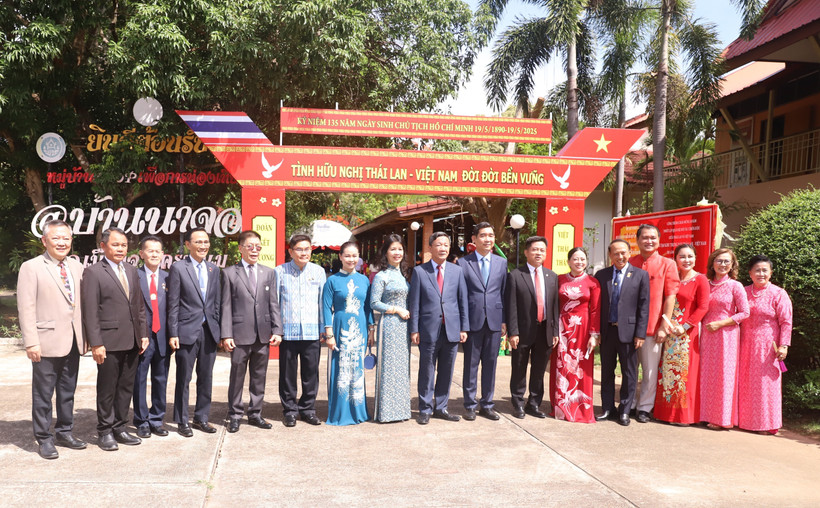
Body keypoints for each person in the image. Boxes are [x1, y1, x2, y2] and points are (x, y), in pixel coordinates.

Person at [17, 220, 86, 459]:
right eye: (56, 238)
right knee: (43, 394)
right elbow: (26, 307)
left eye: (66, 238)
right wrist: (31, 342)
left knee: (67, 391)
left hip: (73, 340)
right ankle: (44, 438)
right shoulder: (31, 267)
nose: (62, 242)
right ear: (45, 241)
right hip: (45, 342)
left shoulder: (76, 266)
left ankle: (65, 431)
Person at [81, 228, 149, 451]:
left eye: (123, 245)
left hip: (132, 341)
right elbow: (90, 311)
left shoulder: (131, 271)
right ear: (103, 246)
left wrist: (144, 334)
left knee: (125, 387)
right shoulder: (93, 272)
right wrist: (96, 343)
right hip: (108, 342)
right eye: (115, 245)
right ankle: (105, 431)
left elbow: (139, 306)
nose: (120, 248)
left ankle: (120, 427)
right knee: (107, 388)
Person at [221, 230, 283, 433]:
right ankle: (235, 415)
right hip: (239, 334)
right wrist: (226, 334)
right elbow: (226, 306)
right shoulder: (229, 273)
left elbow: (273, 303)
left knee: (259, 376)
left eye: (258, 246)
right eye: (250, 246)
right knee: (237, 376)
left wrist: (277, 329)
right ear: (240, 248)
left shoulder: (268, 272)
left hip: (263, 334)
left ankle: (255, 413)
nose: (254, 250)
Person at [408, 231, 469, 424]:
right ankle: (425, 408)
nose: (442, 248)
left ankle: (441, 407)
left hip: (451, 329)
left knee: (446, 370)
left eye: (445, 245)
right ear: (430, 247)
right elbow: (414, 303)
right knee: (426, 370)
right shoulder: (420, 271)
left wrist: (464, 328)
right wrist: (414, 329)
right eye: (438, 244)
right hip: (427, 329)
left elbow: (462, 301)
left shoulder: (456, 271)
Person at [167, 227, 221, 437]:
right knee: (184, 378)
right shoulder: (179, 268)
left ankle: (201, 418)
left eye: (206, 242)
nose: (203, 246)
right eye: (198, 242)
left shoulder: (213, 269)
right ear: (188, 245)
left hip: (209, 332)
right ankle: (182, 420)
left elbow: (216, 303)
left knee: (206, 377)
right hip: (186, 331)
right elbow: (173, 304)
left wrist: (219, 330)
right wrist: (173, 332)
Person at [595, 239, 650, 427]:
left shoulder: (641, 275)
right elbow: (596, 306)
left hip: (629, 332)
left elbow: (644, 307)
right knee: (606, 372)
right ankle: (608, 408)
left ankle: (625, 411)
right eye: (616, 253)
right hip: (607, 332)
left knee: (629, 373)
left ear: (629, 253)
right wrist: (596, 331)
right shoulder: (601, 275)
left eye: (624, 252)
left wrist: (640, 334)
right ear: (610, 255)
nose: (620, 256)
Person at [653, 244, 710, 426]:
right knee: (666, 372)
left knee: (684, 373)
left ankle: (683, 416)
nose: (686, 260)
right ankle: (664, 413)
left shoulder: (700, 280)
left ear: (695, 258)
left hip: (686, 334)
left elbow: (703, 307)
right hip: (668, 332)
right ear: (675, 259)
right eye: (682, 257)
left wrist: (685, 326)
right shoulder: (672, 277)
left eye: (690, 257)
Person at [629, 224, 680, 423]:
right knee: (630, 368)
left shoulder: (667, 264)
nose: (649, 241)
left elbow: (670, 297)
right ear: (637, 240)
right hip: (629, 327)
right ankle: (629, 404)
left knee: (649, 371)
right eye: (645, 237)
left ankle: (644, 407)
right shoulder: (630, 262)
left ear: (659, 240)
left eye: (653, 237)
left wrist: (663, 326)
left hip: (653, 327)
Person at [274, 234, 327, 427]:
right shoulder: (280, 272)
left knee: (310, 374)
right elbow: (275, 303)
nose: (304, 253)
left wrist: (323, 328)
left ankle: (308, 409)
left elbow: (323, 302)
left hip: (312, 332)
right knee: (287, 374)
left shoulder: (319, 272)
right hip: (288, 333)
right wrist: (276, 329)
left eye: (307, 249)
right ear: (290, 251)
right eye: (299, 249)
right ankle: (289, 410)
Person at [505, 236, 560, 420]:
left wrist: (555, 332)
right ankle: (518, 402)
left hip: (545, 330)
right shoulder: (515, 275)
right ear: (526, 252)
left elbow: (554, 307)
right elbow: (511, 306)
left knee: (539, 370)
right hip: (522, 331)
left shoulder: (551, 276)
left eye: (542, 250)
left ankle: (534, 403)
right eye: (535, 250)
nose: (539, 253)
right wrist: (513, 332)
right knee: (519, 368)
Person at [458, 222, 507, 421]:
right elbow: (460, 295)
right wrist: (462, 323)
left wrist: (504, 321)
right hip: (472, 321)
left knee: (491, 364)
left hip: (494, 322)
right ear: (474, 239)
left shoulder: (501, 263)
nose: (488, 239)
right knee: (470, 364)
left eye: (491, 235)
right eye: (483, 236)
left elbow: (504, 294)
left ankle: (487, 404)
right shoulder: (463, 263)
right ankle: (470, 404)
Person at [738, 255, 792, 435]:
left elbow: (786, 322)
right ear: (750, 273)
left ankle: (766, 424)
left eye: (764, 270)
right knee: (744, 382)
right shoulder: (743, 291)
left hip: (768, 346)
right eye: (757, 270)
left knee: (765, 385)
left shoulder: (778, 293)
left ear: (770, 273)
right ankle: (744, 421)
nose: (761, 274)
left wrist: (784, 345)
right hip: (744, 344)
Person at [323, 241, 374, 425]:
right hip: (340, 327)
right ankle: (339, 413)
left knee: (357, 368)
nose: (352, 259)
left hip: (360, 328)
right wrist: (329, 334)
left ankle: (358, 411)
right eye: (348, 255)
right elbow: (326, 307)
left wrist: (371, 329)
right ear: (341, 257)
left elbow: (368, 307)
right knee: (340, 368)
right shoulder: (332, 280)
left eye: (355, 256)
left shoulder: (364, 280)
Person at [699, 248, 749, 430]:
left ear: (732, 265)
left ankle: (721, 419)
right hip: (705, 335)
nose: (723, 264)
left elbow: (745, 312)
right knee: (705, 374)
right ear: (712, 263)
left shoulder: (736, 286)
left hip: (726, 335)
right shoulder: (705, 283)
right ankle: (704, 414)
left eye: (727, 261)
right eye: (719, 260)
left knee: (723, 376)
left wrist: (721, 324)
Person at [549, 247, 600, 423]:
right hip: (563, 329)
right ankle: (561, 407)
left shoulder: (593, 282)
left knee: (581, 367)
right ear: (569, 261)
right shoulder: (559, 280)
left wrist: (594, 335)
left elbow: (595, 310)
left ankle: (580, 409)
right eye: (576, 259)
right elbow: (553, 305)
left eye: (583, 259)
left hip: (583, 329)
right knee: (561, 365)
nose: (579, 262)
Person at [370, 234, 412, 423]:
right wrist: (396, 310)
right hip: (390, 325)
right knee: (388, 368)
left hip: (404, 327)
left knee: (402, 369)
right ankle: (387, 413)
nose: (397, 253)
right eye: (393, 249)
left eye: (400, 249)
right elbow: (374, 302)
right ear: (385, 252)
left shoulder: (404, 275)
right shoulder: (381, 276)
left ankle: (401, 411)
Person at [133, 236, 171, 438]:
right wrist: (139, 334)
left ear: (163, 254)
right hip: (143, 338)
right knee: (139, 379)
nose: (154, 254)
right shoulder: (134, 276)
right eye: (150, 250)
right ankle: (141, 420)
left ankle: (157, 419)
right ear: (141, 254)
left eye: (158, 251)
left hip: (163, 337)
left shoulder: (168, 277)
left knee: (160, 379)